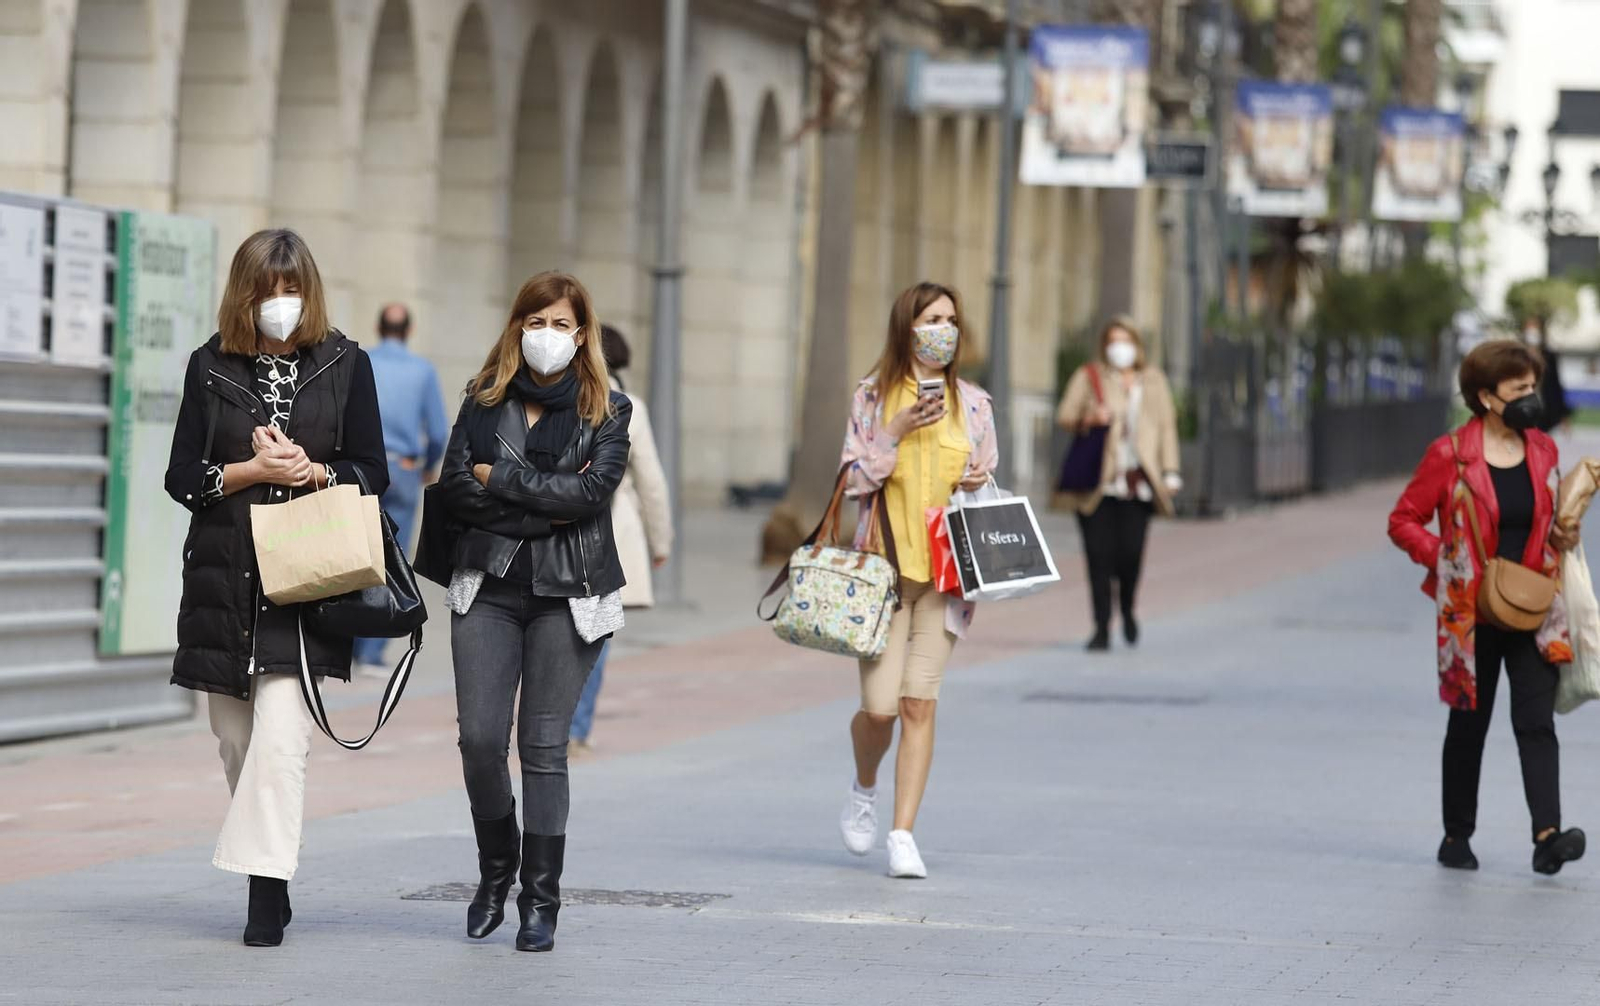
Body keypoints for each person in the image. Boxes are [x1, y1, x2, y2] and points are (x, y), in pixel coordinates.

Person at [163, 228, 388, 947]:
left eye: (292, 290)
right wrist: (251, 474)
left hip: (307, 583)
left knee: (282, 741)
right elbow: (181, 479)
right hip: (226, 581)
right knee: (235, 742)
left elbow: (372, 471)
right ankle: (277, 875)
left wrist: (312, 471)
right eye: (267, 291)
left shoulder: (347, 364)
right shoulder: (210, 367)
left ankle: (263, 901)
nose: (281, 304)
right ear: (245, 295)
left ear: (309, 292)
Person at [437, 271, 630, 951]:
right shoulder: (483, 398)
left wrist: (506, 480)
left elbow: (591, 495)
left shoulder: (610, 408)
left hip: (568, 594)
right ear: (517, 326)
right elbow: (457, 488)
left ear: (582, 334)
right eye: (536, 321)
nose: (548, 335)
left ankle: (539, 902)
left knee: (543, 749)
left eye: (562, 324)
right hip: (487, 587)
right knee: (481, 740)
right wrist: (542, 497)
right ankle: (497, 869)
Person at [1389, 339, 1586, 875]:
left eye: (1532, 387)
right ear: (1485, 395)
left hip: (1533, 603)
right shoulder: (1450, 454)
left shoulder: (1542, 448)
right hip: (1470, 610)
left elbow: (1543, 521)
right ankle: (1457, 835)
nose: (1530, 398)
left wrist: (1564, 531)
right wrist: (1446, 558)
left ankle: (1547, 836)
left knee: (1536, 720)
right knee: (1469, 724)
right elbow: (1403, 520)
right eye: (1518, 389)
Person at [837, 281, 998, 879]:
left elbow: (984, 470)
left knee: (918, 704)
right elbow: (852, 478)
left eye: (951, 319)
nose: (943, 329)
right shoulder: (872, 397)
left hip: (947, 578)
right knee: (879, 710)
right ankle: (864, 784)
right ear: (907, 325)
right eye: (932, 318)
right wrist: (896, 431)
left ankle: (902, 833)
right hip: (883, 575)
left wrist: (979, 475)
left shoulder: (975, 404)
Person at [568, 324, 672, 754]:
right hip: (609, 535)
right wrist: (660, 542)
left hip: (558, 531)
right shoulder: (630, 406)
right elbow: (650, 480)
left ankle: (552, 723)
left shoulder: (561, 395)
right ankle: (575, 731)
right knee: (595, 636)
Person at [1054, 317, 1181, 651]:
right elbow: (1065, 414)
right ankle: (1100, 627)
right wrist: (1089, 418)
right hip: (1099, 484)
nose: (1119, 347)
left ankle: (1126, 607)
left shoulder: (1153, 381)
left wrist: (1170, 472)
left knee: (1130, 555)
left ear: (1137, 345)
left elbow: (1167, 427)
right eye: (1113, 341)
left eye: (1125, 340)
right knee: (1097, 558)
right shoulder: (1090, 376)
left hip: (1138, 485)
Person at [352, 303, 449, 672]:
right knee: (392, 561)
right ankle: (373, 652)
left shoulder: (363, 361)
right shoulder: (422, 371)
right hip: (405, 469)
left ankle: (350, 642)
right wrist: (427, 465)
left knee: (357, 555)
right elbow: (439, 431)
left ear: (379, 327)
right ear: (409, 331)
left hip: (365, 469)